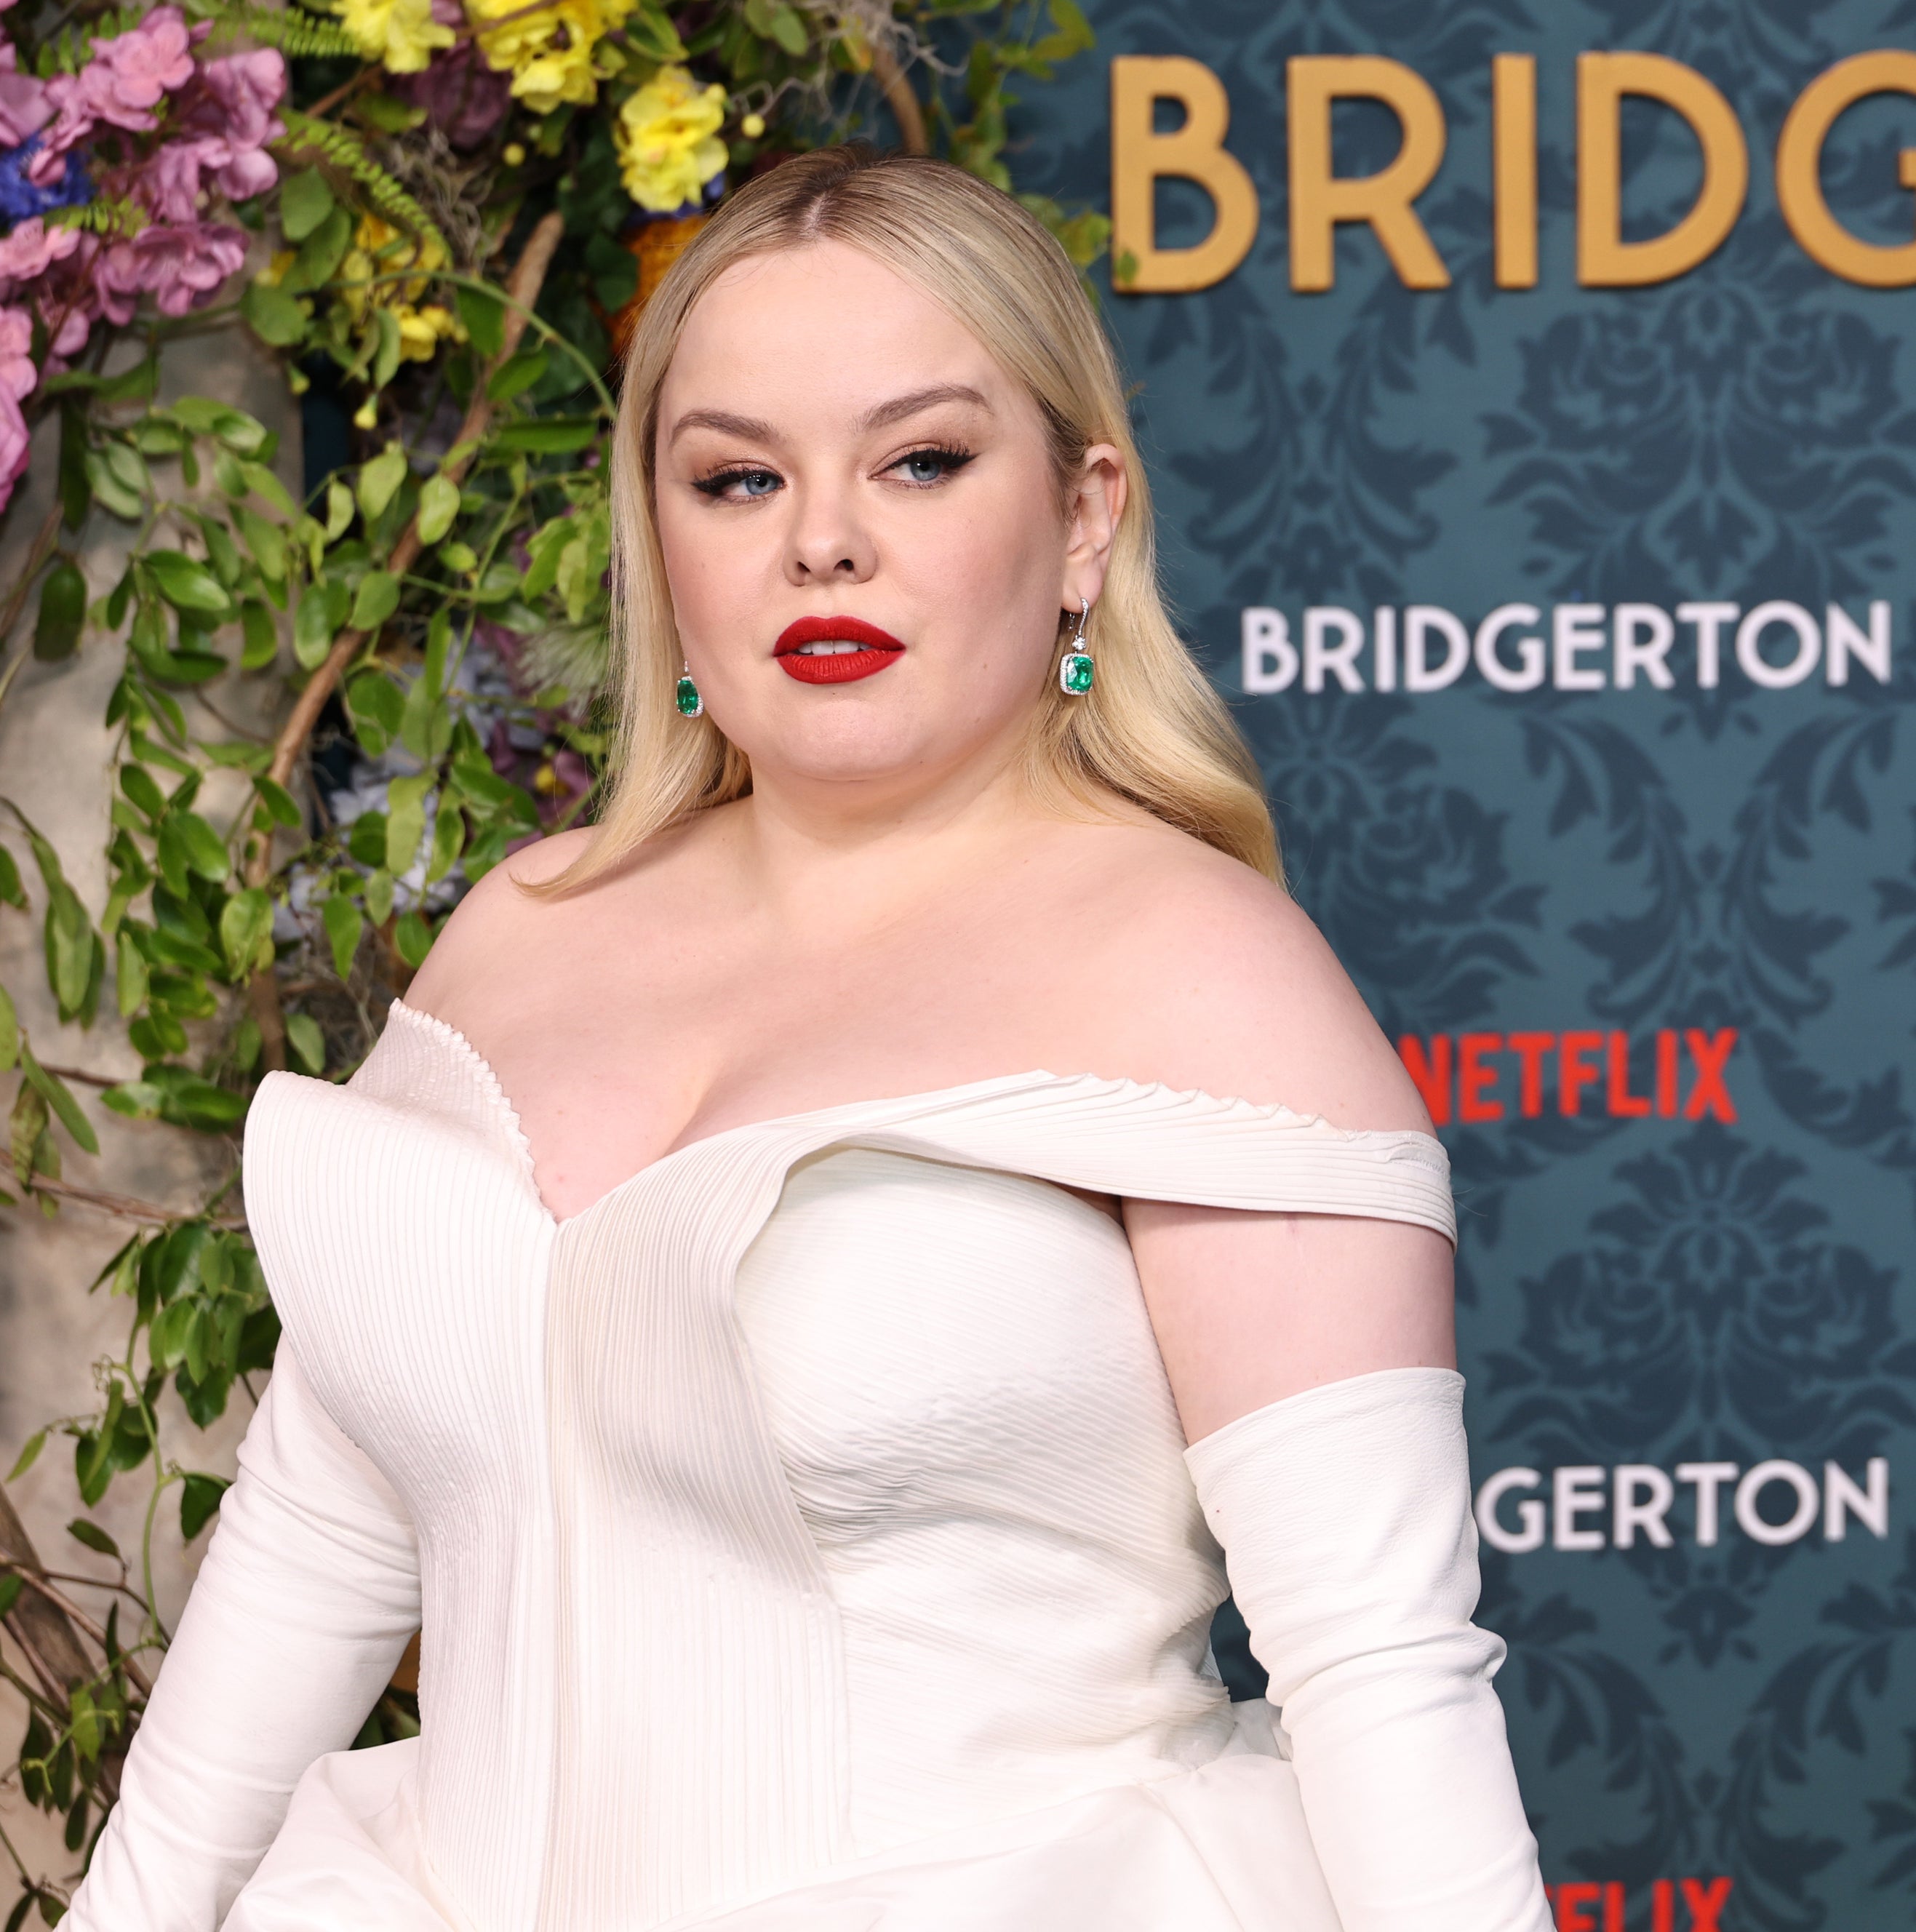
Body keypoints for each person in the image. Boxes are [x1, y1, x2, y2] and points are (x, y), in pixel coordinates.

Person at [68, 147, 1550, 1932]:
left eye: (921, 458)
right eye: (737, 474)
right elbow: (326, 1534)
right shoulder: (520, 928)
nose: (820, 536)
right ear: (662, 532)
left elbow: (1381, 1670)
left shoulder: (1210, 981)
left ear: (1083, 520)